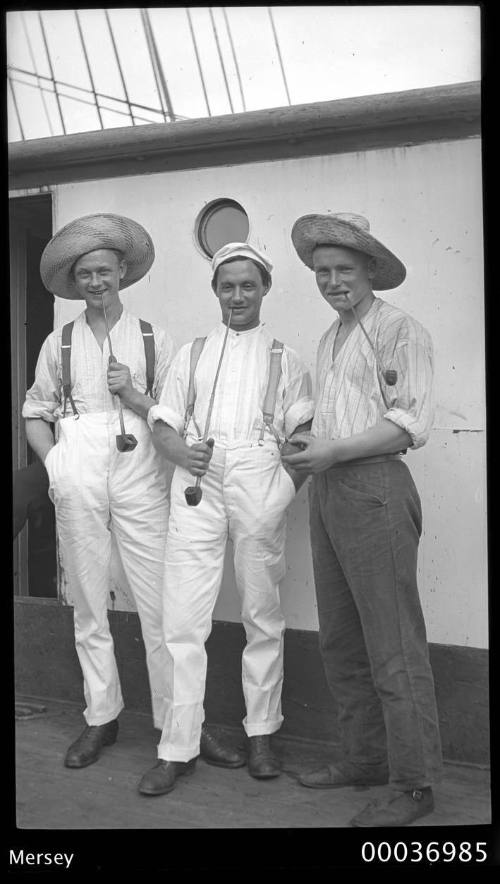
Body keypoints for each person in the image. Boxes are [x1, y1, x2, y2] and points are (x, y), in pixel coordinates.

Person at [282, 212, 443, 827]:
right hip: (329, 490)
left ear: (370, 270)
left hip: (375, 487)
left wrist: (332, 450)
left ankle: (416, 783)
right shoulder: (332, 336)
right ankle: (365, 759)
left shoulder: (402, 330)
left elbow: (409, 423)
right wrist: (305, 438)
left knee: (394, 643)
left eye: (343, 269)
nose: (331, 280)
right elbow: (335, 414)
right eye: (322, 271)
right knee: (341, 638)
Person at [138, 242, 314, 796]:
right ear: (215, 290)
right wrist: (178, 453)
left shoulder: (287, 358)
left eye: (248, 285)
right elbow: (162, 423)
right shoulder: (190, 354)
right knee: (183, 618)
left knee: (262, 613)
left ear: (264, 288)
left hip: (261, 479)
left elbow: (302, 436)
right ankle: (178, 745)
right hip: (198, 484)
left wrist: (282, 490)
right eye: (227, 286)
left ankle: (261, 733)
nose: (237, 295)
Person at [22, 213, 176, 769]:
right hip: (79, 464)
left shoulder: (155, 338)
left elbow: (172, 415)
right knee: (88, 599)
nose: (96, 282)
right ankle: (100, 718)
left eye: (104, 271)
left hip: (140, 468)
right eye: (85, 273)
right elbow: (35, 412)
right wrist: (56, 461)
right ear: (75, 281)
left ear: (122, 272)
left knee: (160, 600)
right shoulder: (57, 342)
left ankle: (177, 723)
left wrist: (134, 394)